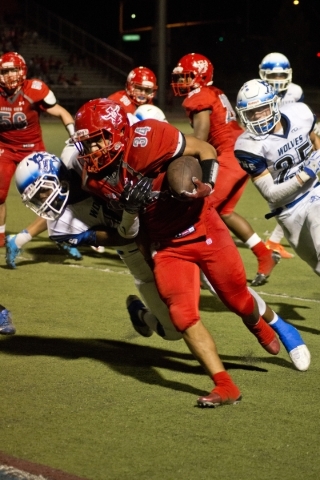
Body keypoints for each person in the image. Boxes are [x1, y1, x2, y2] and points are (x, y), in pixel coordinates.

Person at [70, 98, 310, 407]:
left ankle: (259, 325)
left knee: (236, 299)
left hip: (202, 226)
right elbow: (130, 231)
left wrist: (206, 186)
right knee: (182, 317)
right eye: (85, 144)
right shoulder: (95, 180)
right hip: (167, 246)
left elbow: (205, 150)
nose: (91, 151)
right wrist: (131, 216)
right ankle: (225, 386)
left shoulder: (149, 137)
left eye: (97, 140)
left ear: (118, 131)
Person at [170, 53, 280, 287]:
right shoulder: (213, 92)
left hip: (231, 156)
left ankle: (200, 265)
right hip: (242, 151)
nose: (182, 82)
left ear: (201, 76)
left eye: (187, 77)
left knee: (198, 208)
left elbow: (200, 137)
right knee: (225, 211)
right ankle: (264, 254)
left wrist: (171, 143)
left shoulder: (199, 97)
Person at [234, 79, 320, 277]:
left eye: (262, 109)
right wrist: (307, 172)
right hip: (287, 211)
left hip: (314, 192)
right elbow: (271, 195)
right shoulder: (247, 146)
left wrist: (315, 163)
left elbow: (314, 140)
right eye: (250, 113)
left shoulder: (300, 114)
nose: (257, 117)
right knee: (317, 266)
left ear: (273, 104)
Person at [0, 51, 80, 261]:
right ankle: (0, 236)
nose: (9, 75)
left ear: (23, 71)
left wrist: (74, 136)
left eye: (14, 70)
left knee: (50, 197)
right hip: (5, 148)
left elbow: (62, 112)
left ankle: (61, 237)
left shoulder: (34, 90)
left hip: (32, 150)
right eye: (5, 71)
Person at [259, 52, 304, 259]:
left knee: (294, 194)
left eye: (281, 75)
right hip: (269, 151)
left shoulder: (295, 91)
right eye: (273, 76)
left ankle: (274, 241)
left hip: (292, 146)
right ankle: (274, 242)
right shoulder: (258, 92)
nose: (278, 81)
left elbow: (302, 115)